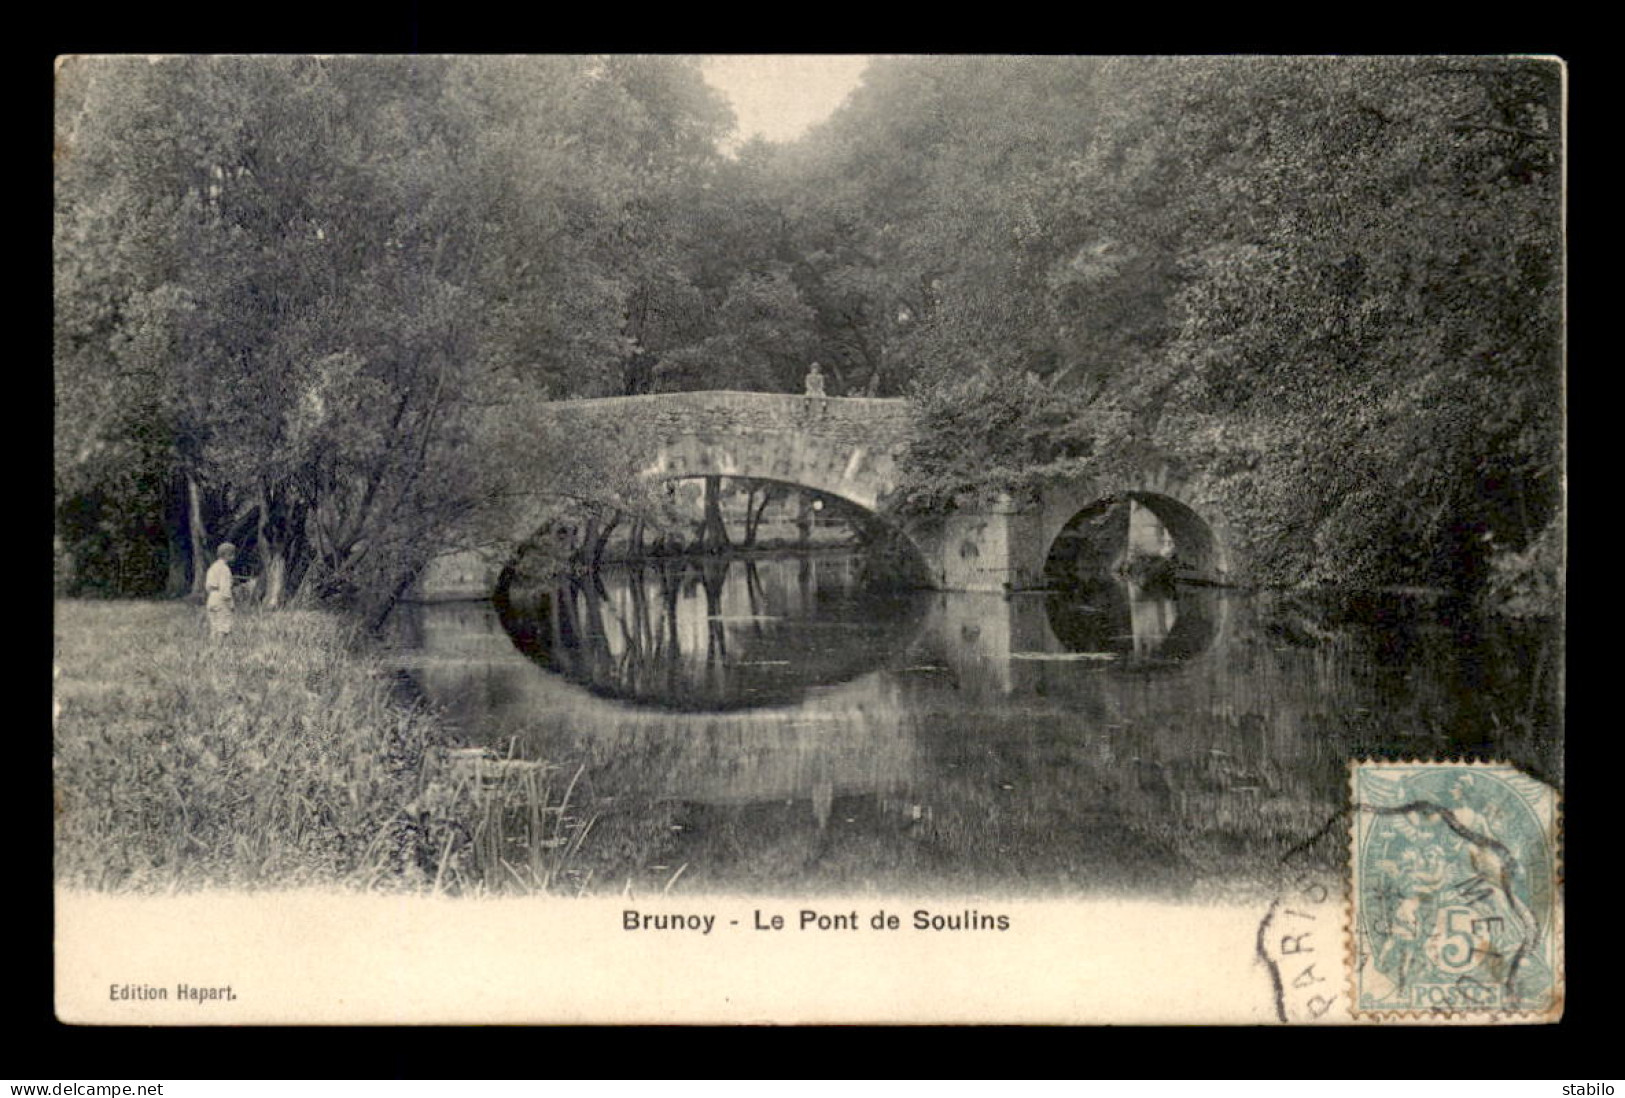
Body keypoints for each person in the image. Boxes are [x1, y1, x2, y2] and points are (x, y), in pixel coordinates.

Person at [205, 542, 239, 641]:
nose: (234, 557)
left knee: (214, 624)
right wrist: (230, 603)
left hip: (211, 597)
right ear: (227, 555)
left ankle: (213, 647)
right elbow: (225, 588)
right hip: (221, 598)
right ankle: (220, 647)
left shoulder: (212, 567)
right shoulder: (224, 569)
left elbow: (207, 585)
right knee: (223, 625)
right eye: (232, 554)